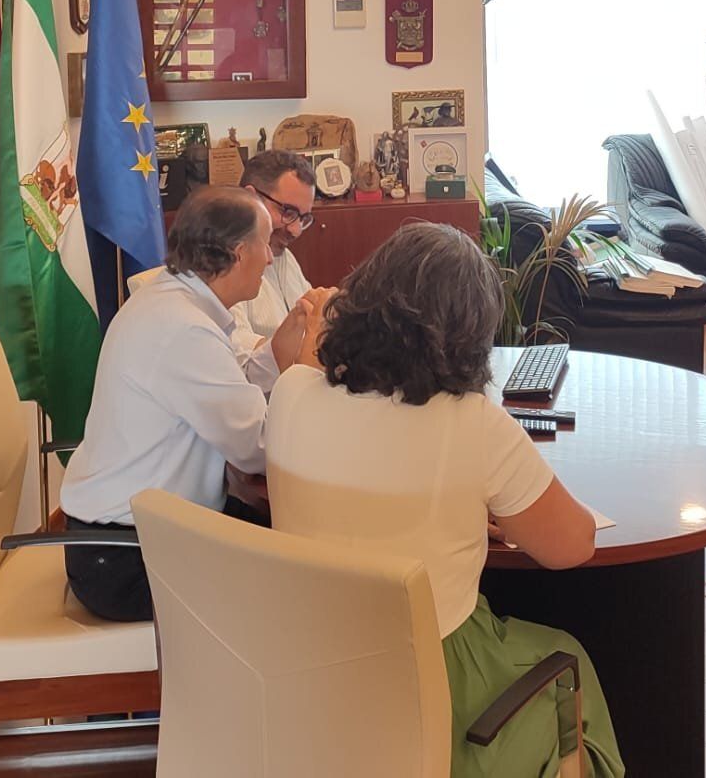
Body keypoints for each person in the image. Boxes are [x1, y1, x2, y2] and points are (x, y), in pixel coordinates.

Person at [267, 224, 625, 778]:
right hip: (434, 683)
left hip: (311, 676)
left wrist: (319, 319)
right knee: (568, 655)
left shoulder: (289, 392)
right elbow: (570, 547)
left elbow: (317, 381)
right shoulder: (473, 424)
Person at [60, 186, 329, 621]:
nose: (271, 257)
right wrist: (308, 355)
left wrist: (280, 348)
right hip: (130, 561)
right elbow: (263, 450)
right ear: (239, 253)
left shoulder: (173, 300)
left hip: (147, 534)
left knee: (303, 545)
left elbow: (224, 386)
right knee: (308, 570)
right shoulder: (182, 328)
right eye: (265, 244)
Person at [231, 150, 319, 383]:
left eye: (304, 218)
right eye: (287, 212)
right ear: (251, 199)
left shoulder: (284, 256)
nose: (296, 230)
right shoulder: (220, 264)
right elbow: (243, 369)